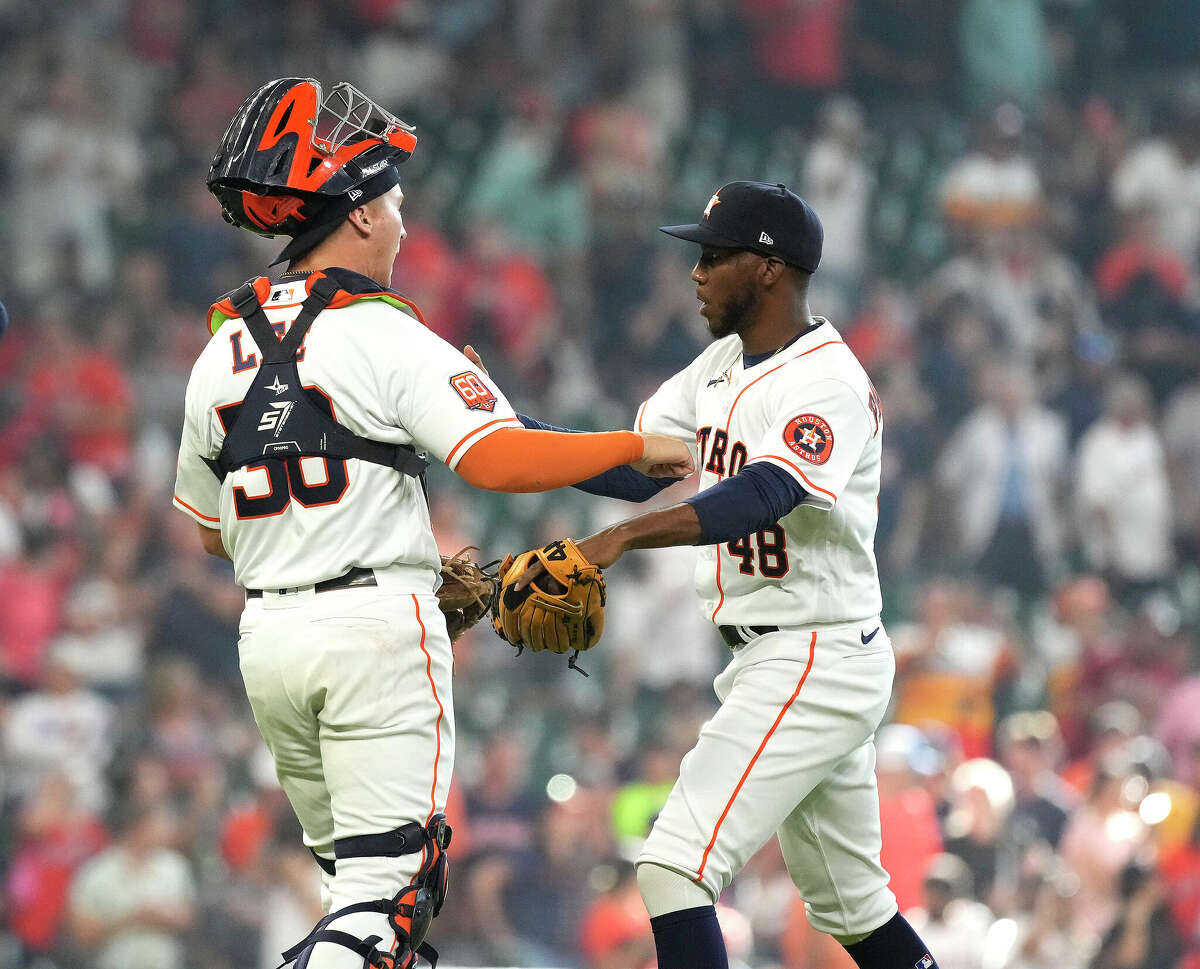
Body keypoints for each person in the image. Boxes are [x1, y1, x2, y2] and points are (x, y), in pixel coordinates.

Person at [172, 77, 692, 969]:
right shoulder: (384, 331)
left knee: (357, 894)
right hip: (374, 629)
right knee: (388, 902)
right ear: (364, 214)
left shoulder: (220, 345)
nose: (403, 220)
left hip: (271, 641)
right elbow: (497, 457)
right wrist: (637, 447)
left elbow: (210, 531)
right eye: (395, 199)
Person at [512, 181, 939, 969]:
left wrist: (622, 543)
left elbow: (763, 494)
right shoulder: (719, 366)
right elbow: (636, 467)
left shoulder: (828, 380)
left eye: (714, 257)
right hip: (780, 652)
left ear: (770, 268)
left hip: (815, 651)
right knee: (853, 903)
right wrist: (507, 429)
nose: (697, 273)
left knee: (673, 865)